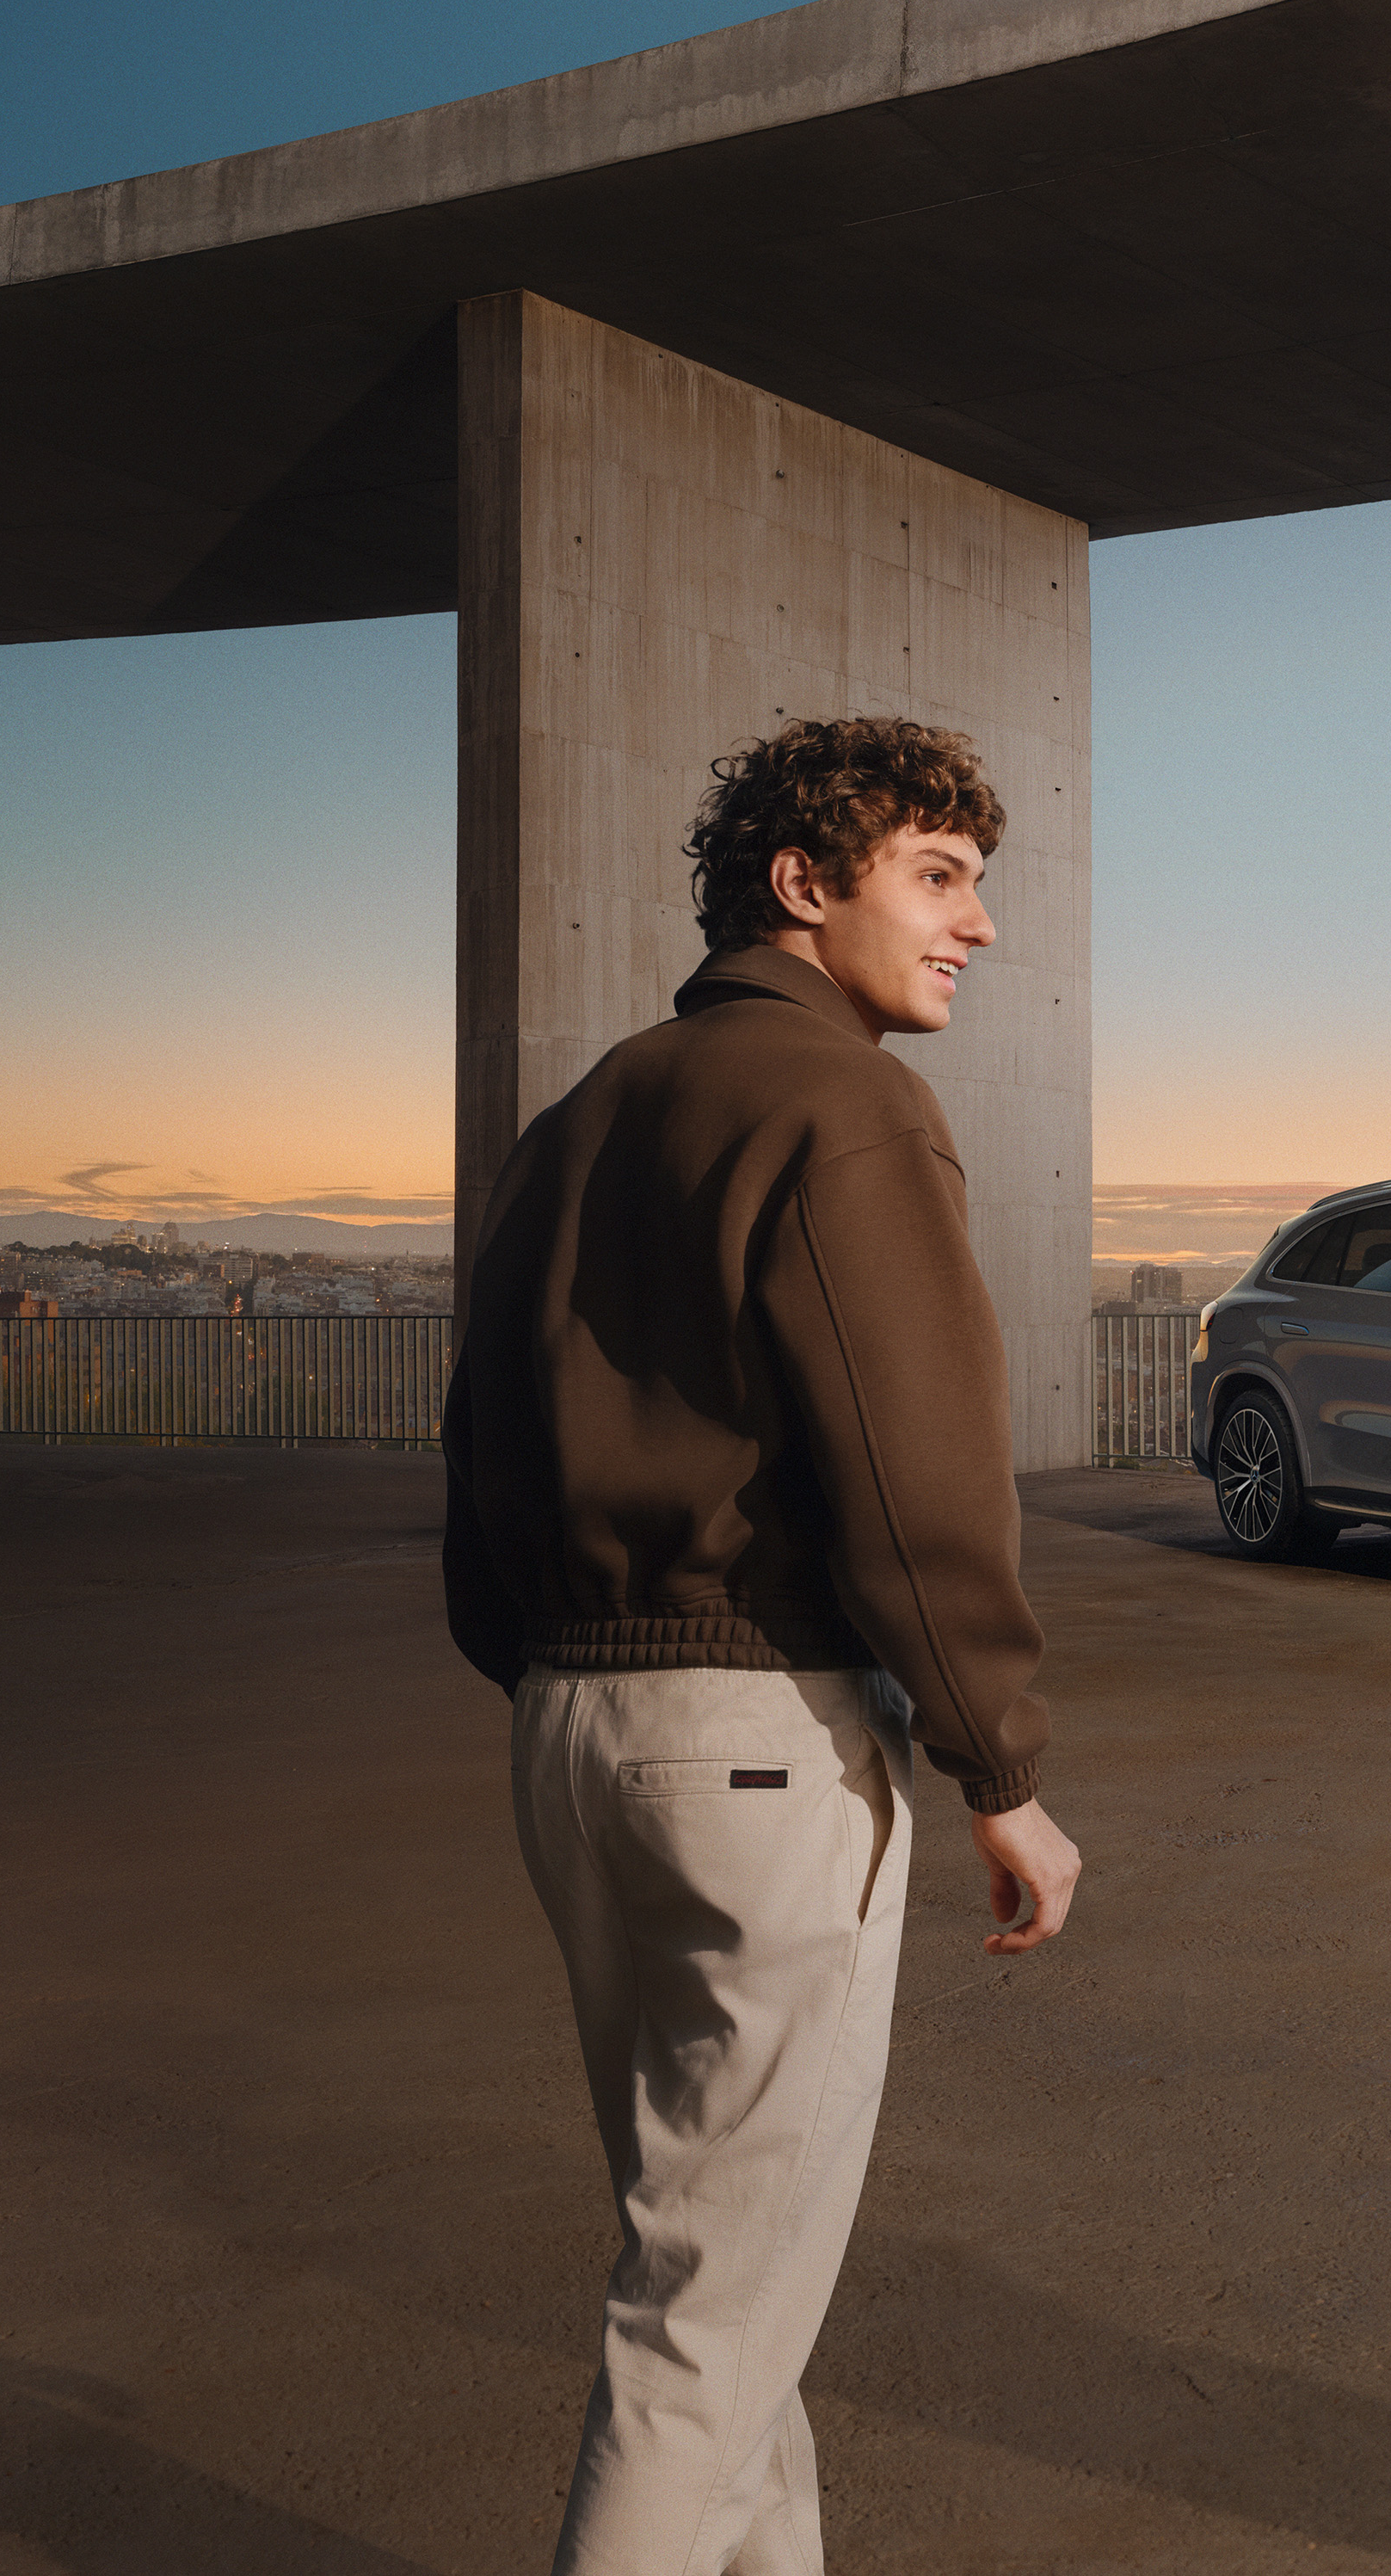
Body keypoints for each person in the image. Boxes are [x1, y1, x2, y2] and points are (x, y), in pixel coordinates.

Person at [444, 712, 1083, 2576]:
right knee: (707, 2328)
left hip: (574, 1737)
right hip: (752, 1741)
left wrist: (560, 1672)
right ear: (805, 884)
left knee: (727, 2272)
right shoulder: (844, 1103)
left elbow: (479, 1438)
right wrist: (1000, 1763)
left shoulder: (581, 1118)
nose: (977, 924)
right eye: (938, 876)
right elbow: (915, 1466)